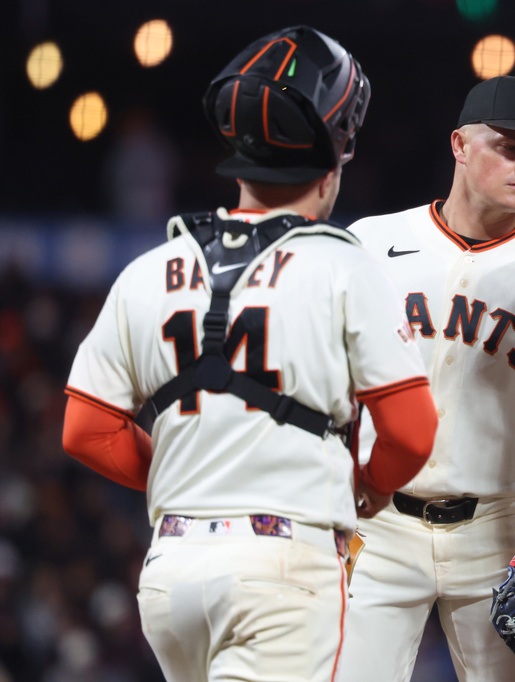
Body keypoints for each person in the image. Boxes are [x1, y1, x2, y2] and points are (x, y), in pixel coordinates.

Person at [61, 26, 438, 682]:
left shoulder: (152, 267)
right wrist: (370, 484)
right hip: (280, 568)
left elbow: (84, 429)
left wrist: (195, 476)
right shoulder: (341, 267)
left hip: (170, 572)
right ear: (336, 158)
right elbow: (413, 431)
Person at [335, 75, 515, 682]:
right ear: (460, 146)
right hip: (378, 522)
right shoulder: (372, 241)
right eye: (509, 147)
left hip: (498, 530)